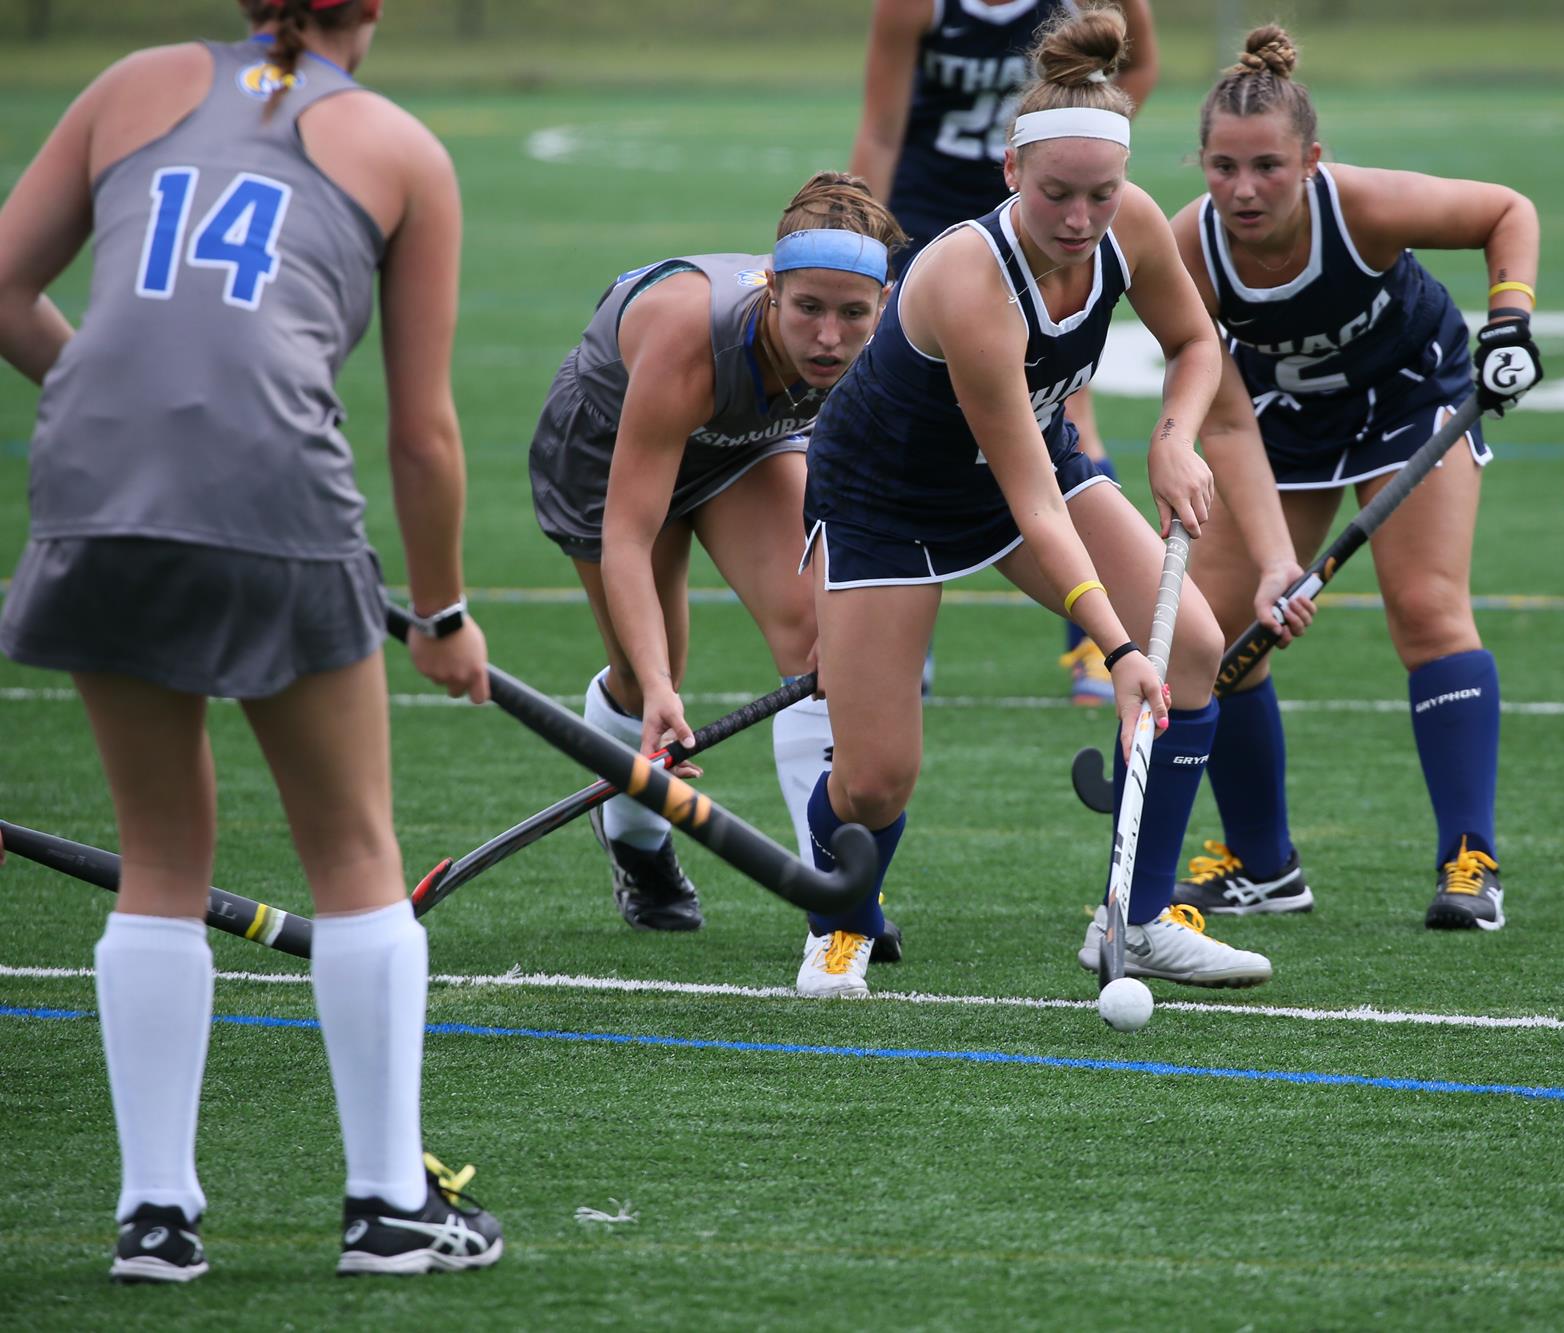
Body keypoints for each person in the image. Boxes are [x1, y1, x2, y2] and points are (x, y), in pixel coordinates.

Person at [0, 0, 504, 1280]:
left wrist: (112, 405)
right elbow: (423, 432)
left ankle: (154, 1220)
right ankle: (389, 1205)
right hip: (276, 487)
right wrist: (442, 614)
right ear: (373, 13)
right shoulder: (401, 147)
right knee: (352, 852)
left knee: (159, 855)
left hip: (94, 480)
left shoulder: (130, 81)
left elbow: (6, 283)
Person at [803, 2, 1272, 999]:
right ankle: (839, 919)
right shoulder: (971, 283)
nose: (1078, 219)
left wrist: (1171, 436)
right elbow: (1034, 509)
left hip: (1029, 470)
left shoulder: (1129, 224)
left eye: (1099, 195)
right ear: (1010, 173)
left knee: (1194, 644)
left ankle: (1132, 921)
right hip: (890, 496)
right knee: (877, 778)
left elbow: (1197, 347)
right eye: (1056, 193)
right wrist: (1114, 646)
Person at [1165, 27, 1543, 931]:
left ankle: (1470, 861)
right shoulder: (1185, 250)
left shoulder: (1362, 206)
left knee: (1425, 607)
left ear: (1312, 162)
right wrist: (1268, 565)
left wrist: (1510, 324)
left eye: (1268, 166)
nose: (1243, 190)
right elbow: (1221, 418)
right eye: (1222, 167)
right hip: (1275, 424)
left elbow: (1508, 212)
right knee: (1209, 638)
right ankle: (1264, 865)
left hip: (1411, 395)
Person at [528, 174, 905, 963]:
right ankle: (636, 840)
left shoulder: (884, 343)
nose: (829, 338)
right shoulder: (685, 337)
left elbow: (853, 494)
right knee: (646, 672)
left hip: (748, 441)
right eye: (807, 309)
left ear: (883, 300)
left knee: (817, 637)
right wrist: (664, 687)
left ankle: (832, 889)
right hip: (610, 451)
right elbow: (629, 534)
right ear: (770, 289)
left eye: (852, 314)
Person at [847, 0, 1158, 705]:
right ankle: (901, 633)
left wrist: (1083, 146)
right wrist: (872, 250)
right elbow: (882, 127)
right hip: (931, 226)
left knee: (1066, 412)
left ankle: (1092, 649)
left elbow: (1139, 62)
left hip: (1050, 220)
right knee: (913, 417)